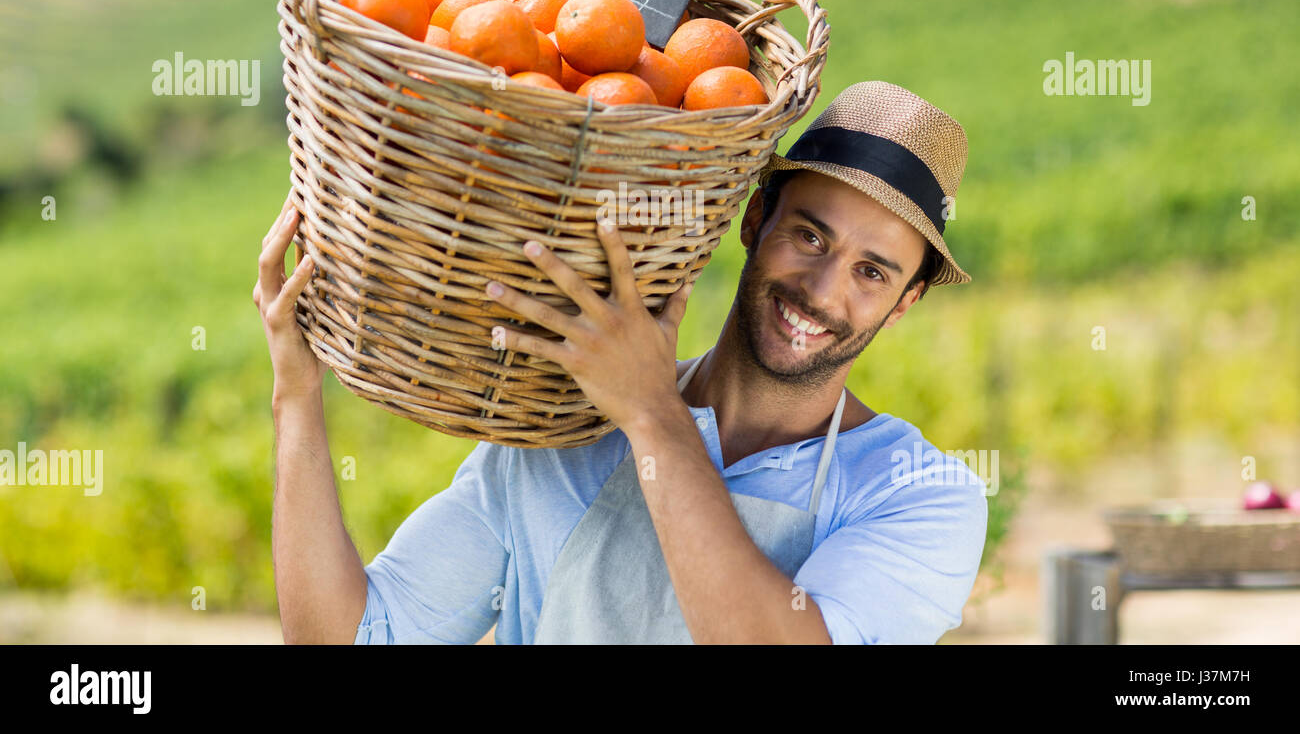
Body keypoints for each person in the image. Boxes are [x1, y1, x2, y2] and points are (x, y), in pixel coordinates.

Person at [255, 80, 988, 644]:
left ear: (904, 302)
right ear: (755, 220)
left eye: (873, 272)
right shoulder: (564, 424)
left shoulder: (916, 494)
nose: (823, 292)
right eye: (810, 237)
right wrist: (296, 392)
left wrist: (650, 414)